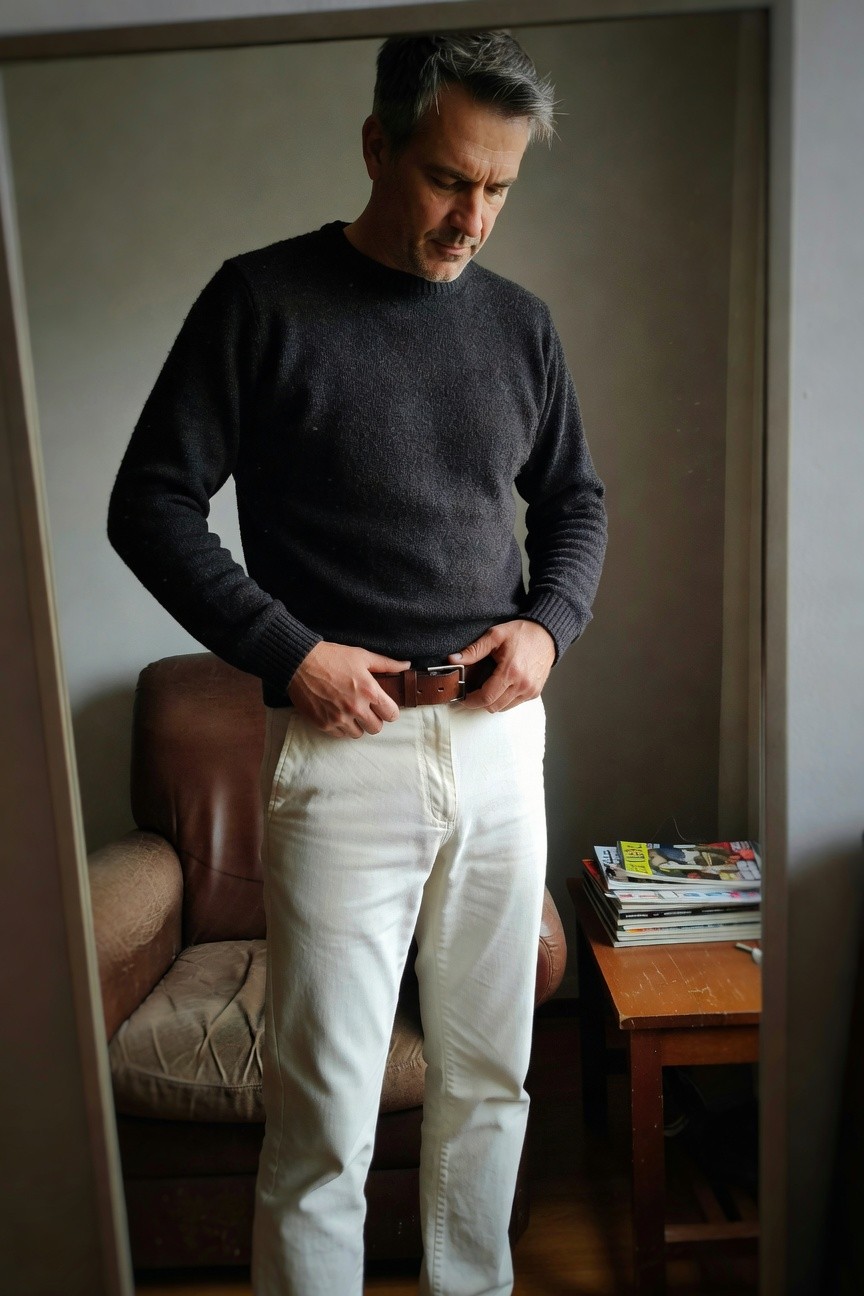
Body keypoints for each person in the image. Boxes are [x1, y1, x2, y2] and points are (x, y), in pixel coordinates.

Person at [108, 30, 607, 1296]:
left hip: (500, 740)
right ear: (379, 146)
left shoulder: (522, 326)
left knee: (492, 1080)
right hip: (342, 751)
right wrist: (292, 653)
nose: (473, 218)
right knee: (322, 1116)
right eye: (448, 178)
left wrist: (548, 624)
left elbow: (575, 503)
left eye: (498, 188)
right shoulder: (260, 301)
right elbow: (150, 504)